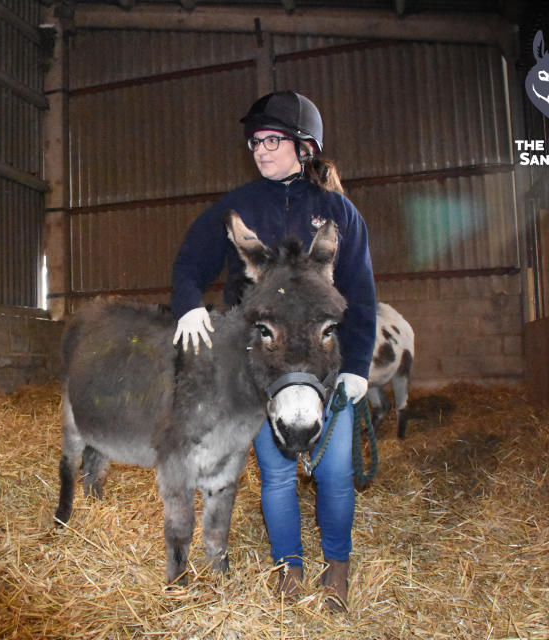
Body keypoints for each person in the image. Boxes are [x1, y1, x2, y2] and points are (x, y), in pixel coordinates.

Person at [170, 90, 376, 610]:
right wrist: (189, 304)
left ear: (304, 147)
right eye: (255, 142)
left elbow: (363, 292)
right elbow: (190, 260)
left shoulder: (338, 213)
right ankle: (289, 568)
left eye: (272, 141)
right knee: (278, 473)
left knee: (334, 473)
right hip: (265, 366)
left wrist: (356, 366)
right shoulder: (238, 205)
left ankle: (337, 567)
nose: (260, 150)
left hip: (325, 365)